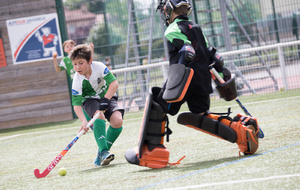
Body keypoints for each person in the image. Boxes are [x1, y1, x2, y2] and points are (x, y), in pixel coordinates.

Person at [125, 0, 259, 169]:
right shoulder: (196, 27)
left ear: (168, 10)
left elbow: (187, 51)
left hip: (184, 79)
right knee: (201, 113)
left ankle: (152, 153)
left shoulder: (172, 30)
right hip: (202, 79)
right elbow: (214, 55)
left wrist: (182, 65)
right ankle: (243, 134)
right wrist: (222, 70)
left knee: (158, 104)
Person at [70, 44, 124, 166]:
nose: (77, 67)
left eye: (81, 63)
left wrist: (106, 98)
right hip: (89, 100)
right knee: (99, 116)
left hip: (106, 95)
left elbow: (114, 83)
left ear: (89, 61)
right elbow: (77, 105)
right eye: (74, 64)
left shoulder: (99, 67)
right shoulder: (77, 80)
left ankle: (101, 153)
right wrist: (83, 121)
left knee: (117, 121)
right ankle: (104, 152)